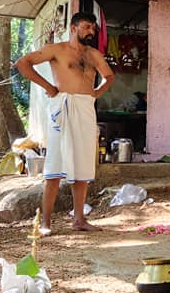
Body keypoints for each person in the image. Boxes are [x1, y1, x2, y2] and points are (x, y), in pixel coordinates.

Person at [15, 12, 115, 234]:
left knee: (82, 164)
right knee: (54, 166)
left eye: (93, 29)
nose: (91, 32)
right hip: (63, 108)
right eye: (87, 27)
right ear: (73, 28)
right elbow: (23, 63)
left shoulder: (94, 55)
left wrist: (96, 93)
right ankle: (45, 223)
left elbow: (109, 76)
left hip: (85, 109)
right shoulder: (56, 50)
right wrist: (48, 87)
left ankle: (79, 220)